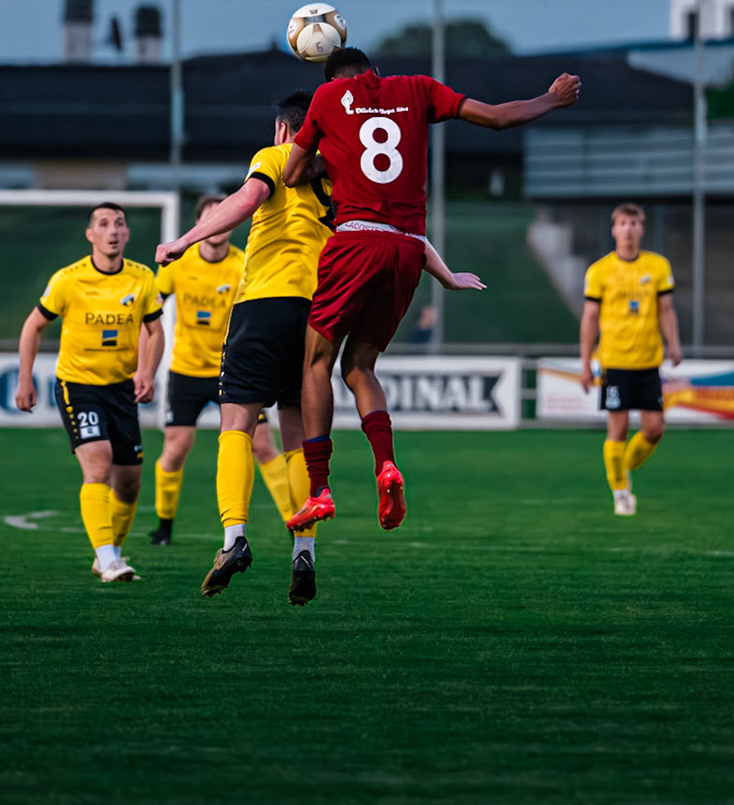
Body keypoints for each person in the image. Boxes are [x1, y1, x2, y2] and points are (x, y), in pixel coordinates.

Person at [157, 91, 488, 604]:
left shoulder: (274, 159)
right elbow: (398, 230)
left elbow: (244, 202)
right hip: (317, 310)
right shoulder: (342, 177)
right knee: (296, 431)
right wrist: (446, 275)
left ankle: (234, 538)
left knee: (236, 423)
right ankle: (303, 549)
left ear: (284, 131)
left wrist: (185, 240)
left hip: (263, 303)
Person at [280, 48, 580, 544]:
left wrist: (324, 156)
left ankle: (320, 488)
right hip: (406, 248)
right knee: (362, 366)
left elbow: (292, 174)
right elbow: (499, 118)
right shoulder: (417, 89)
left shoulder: (328, 97)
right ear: (374, 72)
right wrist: (551, 98)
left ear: (334, 78)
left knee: (317, 361)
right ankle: (387, 465)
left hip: (355, 238)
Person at [13, 203, 164, 583]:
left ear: (127, 234)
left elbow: (156, 331)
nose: (113, 230)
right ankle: (109, 559)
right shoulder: (68, 279)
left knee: (129, 483)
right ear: (90, 235)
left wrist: (147, 370)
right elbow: (33, 327)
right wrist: (24, 378)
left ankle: (108, 551)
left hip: (122, 387)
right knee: (98, 466)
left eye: (120, 223)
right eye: (104, 224)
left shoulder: (143, 278)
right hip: (78, 385)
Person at [148, 194, 295, 547]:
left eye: (222, 216)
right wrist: (144, 366)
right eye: (208, 217)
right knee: (176, 449)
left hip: (234, 370)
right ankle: (164, 525)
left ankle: (295, 521)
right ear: (199, 225)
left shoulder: (245, 263)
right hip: (185, 371)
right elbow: (150, 314)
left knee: (263, 446)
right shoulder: (178, 266)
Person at [578, 202, 679, 516]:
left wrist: (674, 343)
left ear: (641, 229)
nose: (629, 229)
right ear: (614, 230)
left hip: (649, 361)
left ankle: (621, 467)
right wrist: (585, 362)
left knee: (654, 429)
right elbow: (589, 317)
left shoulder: (658, 266)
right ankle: (620, 490)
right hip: (615, 361)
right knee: (618, 430)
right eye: (623, 223)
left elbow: (666, 310)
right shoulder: (599, 271)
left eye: (634, 223)